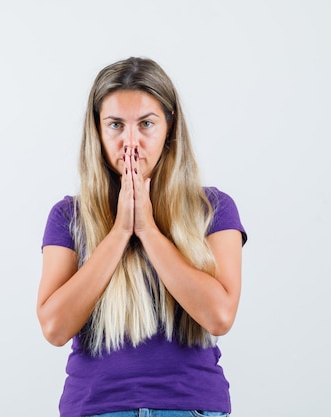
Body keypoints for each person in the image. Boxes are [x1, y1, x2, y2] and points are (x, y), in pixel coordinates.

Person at [36, 57, 247, 417]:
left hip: (191, 408)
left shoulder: (213, 209)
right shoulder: (68, 216)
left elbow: (220, 316)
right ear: (98, 131)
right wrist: (120, 231)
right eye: (115, 125)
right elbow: (55, 327)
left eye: (146, 124)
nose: (130, 141)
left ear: (169, 127)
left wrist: (147, 230)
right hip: (99, 408)